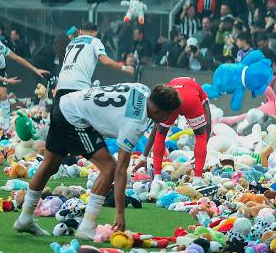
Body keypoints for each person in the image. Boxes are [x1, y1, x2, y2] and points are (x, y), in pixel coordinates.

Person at [13, 83, 182, 238]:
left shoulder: (143, 89)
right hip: (75, 118)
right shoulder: (134, 123)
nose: (169, 119)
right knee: (109, 168)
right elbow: (120, 170)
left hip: (65, 104)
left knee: (49, 165)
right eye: (169, 115)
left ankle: (25, 219)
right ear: (160, 111)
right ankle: (87, 226)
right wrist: (120, 214)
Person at [145, 77, 212, 179]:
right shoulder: (198, 89)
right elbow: (208, 123)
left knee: (161, 134)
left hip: (171, 100)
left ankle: (157, 176)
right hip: (190, 99)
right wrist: (201, 150)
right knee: (200, 136)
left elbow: (156, 125)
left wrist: (144, 155)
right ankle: (198, 178)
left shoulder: (168, 89)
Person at [54, 22, 134, 98]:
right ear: (95, 33)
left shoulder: (71, 43)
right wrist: (125, 68)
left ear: (81, 31)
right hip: (78, 86)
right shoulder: (94, 41)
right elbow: (105, 61)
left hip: (61, 86)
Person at [0, 33, 50, 105]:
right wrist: (6, 80)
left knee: (3, 95)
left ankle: (6, 120)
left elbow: (17, 58)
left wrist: (35, 69)